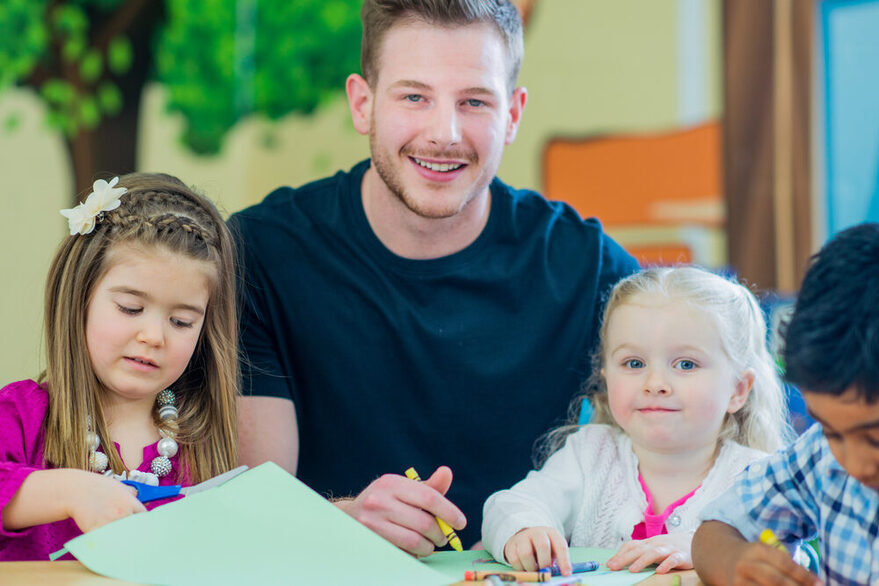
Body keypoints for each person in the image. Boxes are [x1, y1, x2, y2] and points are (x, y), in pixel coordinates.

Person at [229, 0, 639, 553]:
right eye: (414, 97)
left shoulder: (585, 266)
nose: (444, 133)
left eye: (474, 101)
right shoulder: (262, 254)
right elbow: (243, 511)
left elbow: (707, 424)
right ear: (363, 103)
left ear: (513, 114)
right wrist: (342, 518)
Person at [482, 267, 793, 576]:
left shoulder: (756, 476)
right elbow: (508, 506)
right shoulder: (589, 455)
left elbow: (789, 556)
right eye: (634, 363)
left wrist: (705, 548)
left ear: (737, 391)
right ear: (605, 377)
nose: (655, 382)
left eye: (686, 364)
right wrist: (525, 530)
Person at [0, 173, 239, 561]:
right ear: (79, 298)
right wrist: (70, 492)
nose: (154, 336)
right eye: (131, 308)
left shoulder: (201, 436)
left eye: (181, 322)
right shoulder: (22, 415)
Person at [692, 222, 879, 586]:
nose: (853, 464)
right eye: (830, 430)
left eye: (873, 439)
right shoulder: (822, 456)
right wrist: (736, 564)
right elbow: (718, 527)